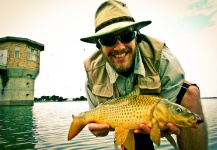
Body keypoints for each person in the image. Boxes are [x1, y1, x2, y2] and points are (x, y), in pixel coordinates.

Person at [80, 0, 208, 149]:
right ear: (99, 45)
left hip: (153, 110)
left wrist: (161, 126)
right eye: (108, 40)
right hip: (123, 120)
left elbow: (166, 112)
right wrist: (99, 130)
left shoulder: (164, 59)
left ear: (137, 36)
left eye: (127, 35)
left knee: (190, 93)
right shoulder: (92, 72)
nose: (119, 47)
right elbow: (97, 125)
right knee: (134, 136)